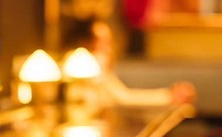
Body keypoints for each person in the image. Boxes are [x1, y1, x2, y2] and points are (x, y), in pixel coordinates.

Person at [61, 18, 195, 109]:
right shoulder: (83, 68)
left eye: (109, 42)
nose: (108, 49)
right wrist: (169, 96)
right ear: (85, 43)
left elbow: (124, 96)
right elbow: (123, 99)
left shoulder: (95, 68)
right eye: (101, 42)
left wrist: (168, 95)